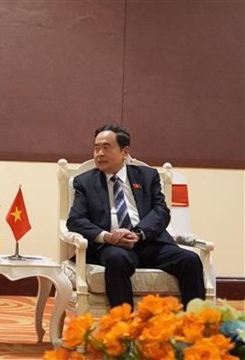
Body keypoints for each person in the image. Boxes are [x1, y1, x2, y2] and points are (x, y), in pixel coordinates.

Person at [66, 124, 205, 309]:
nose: (99, 153)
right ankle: (124, 328)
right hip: (111, 246)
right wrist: (107, 236)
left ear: (125, 152)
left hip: (149, 242)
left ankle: (196, 324)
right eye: (96, 148)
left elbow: (161, 212)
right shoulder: (85, 182)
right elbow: (76, 220)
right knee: (117, 259)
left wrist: (138, 233)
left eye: (106, 148)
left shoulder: (148, 176)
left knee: (190, 260)